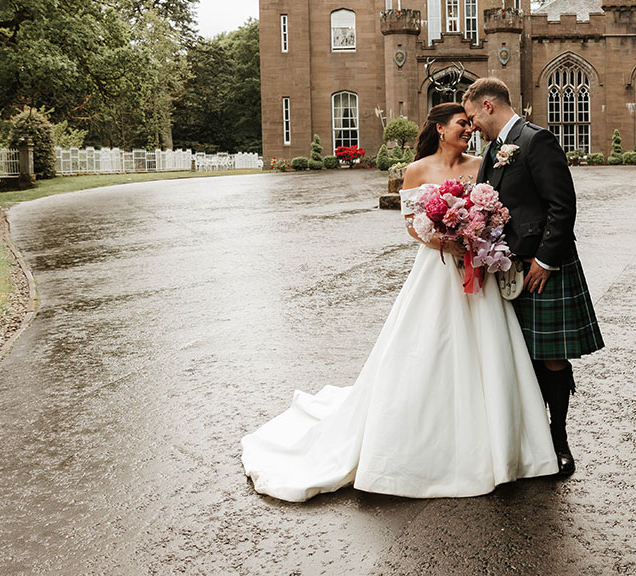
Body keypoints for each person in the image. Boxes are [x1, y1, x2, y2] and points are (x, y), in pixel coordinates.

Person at [241, 103, 558, 500]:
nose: (469, 130)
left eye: (470, 124)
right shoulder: (417, 170)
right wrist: (448, 242)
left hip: (478, 266)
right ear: (441, 129)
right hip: (437, 269)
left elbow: (497, 212)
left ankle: (499, 443)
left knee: (489, 349)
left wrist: (476, 237)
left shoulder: (483, 163)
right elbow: (412, 227)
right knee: (425, 348)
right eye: (462, 124)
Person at [463, 78, 604, 477]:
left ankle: (558, 440)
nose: (471, 125)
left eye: (473, 116)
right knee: (519, 355)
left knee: (551, 356)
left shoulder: (535, 140)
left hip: (543, 267)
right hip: (507, 267)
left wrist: (546, 260)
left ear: (489, 106)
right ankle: (532, 440)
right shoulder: (492, 151)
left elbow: (563, 205)